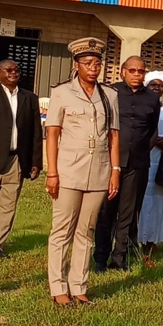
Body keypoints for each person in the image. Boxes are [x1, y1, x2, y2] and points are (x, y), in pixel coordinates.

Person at [45, 37, 120, 305]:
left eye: (97, 63)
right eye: (87, 63)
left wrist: (115, 170)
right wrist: (52, 172)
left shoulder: (109, 95)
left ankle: (78, 285)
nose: (93, 68)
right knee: (62, 229)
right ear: (76, 65)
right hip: (68, 170)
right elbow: (52, 133)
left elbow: (113, 136)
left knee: (86, 230)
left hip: (98, 171)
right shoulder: (62, 92)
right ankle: (58, 287)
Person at [93, 57, 160, 272]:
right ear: (122, 72)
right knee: (105, 211)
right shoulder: (110, 93)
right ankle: (100, 259)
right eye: (132, 70)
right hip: (109, 162)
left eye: (140, 71)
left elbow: (151, 130)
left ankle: (119, 258)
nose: (136, 75)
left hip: (138, 163)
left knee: (128, 213)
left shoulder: (152, 98)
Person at [0, 58, 42, 256]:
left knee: (8, 206)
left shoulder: (29, 98)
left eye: (17, 70)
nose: (14, 73)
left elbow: (36, 132)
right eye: (9, 70)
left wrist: (36, 161)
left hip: (16, 160)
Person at [138, 71, 163, 255]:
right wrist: (158, 142)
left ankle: (156, 239)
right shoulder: (141, 105)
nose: (157, 88)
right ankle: (142, 238)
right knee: (146, 200)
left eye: (160, 85)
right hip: (147, 158)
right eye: (153, 85)